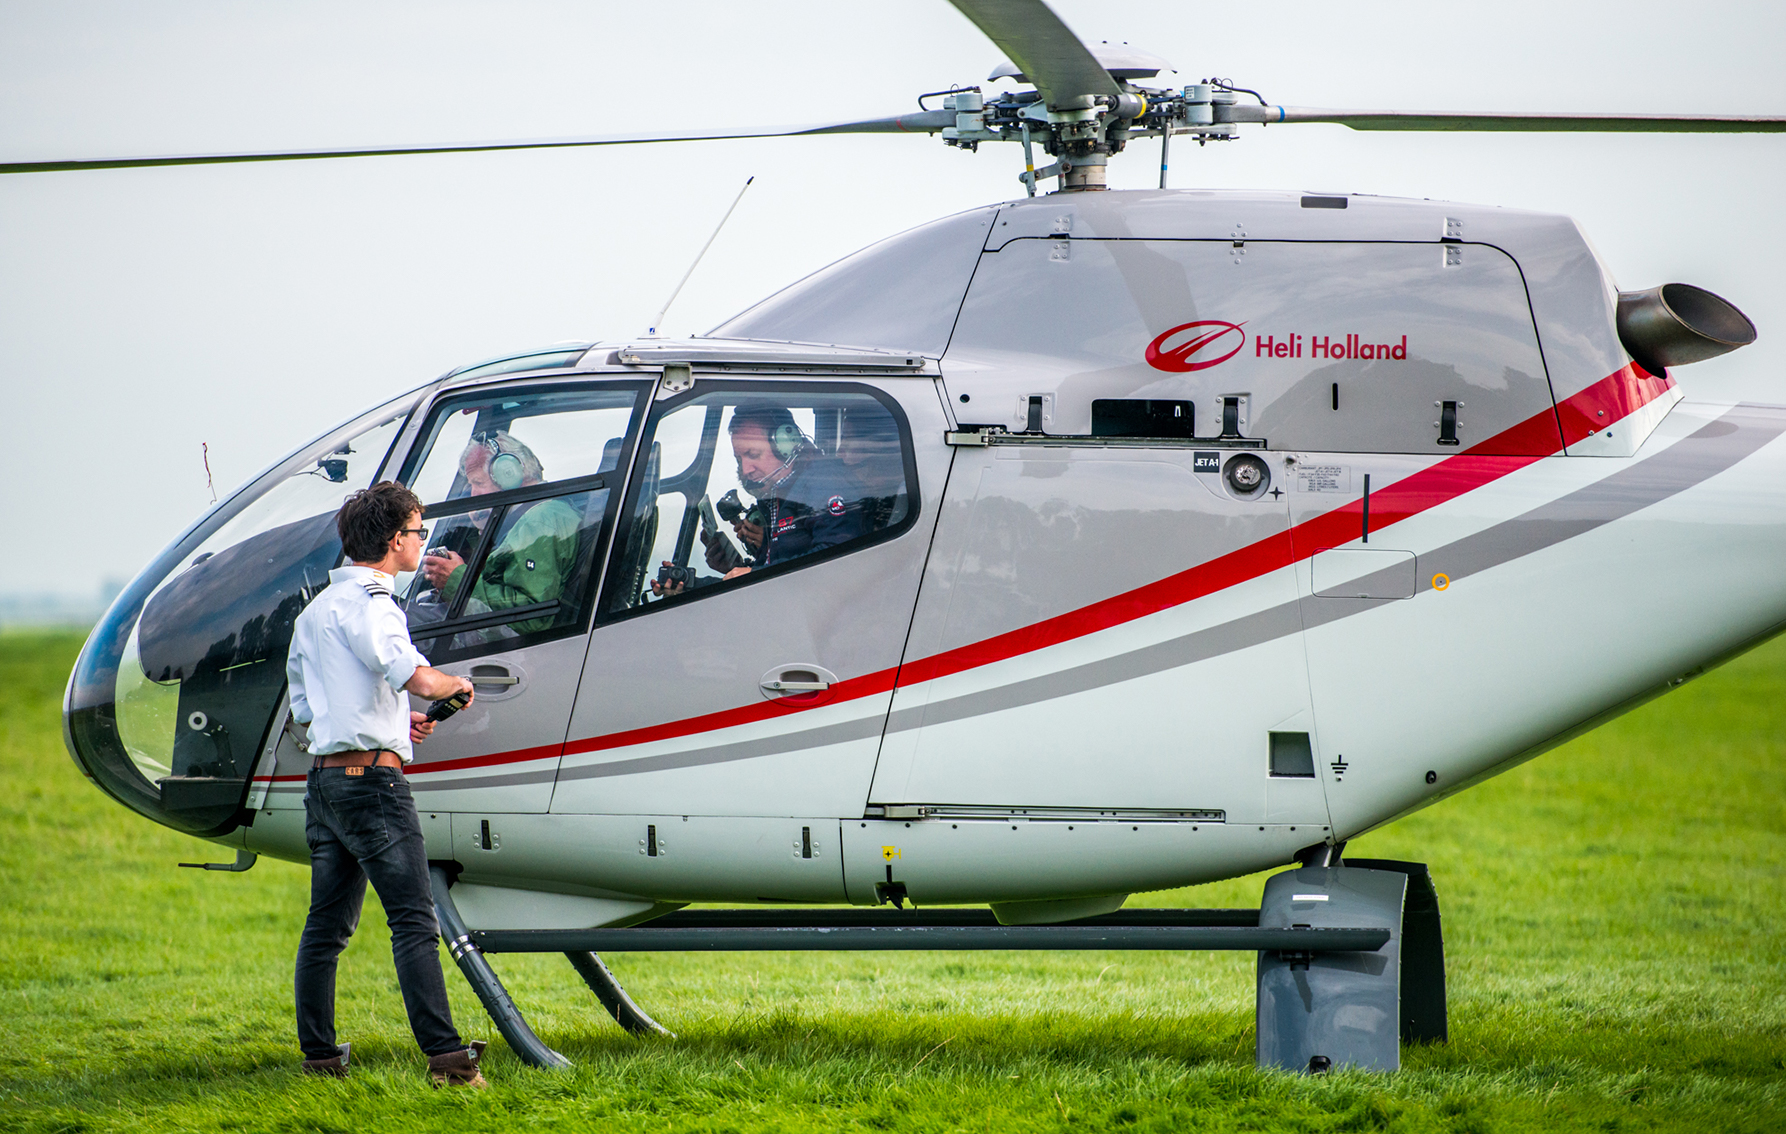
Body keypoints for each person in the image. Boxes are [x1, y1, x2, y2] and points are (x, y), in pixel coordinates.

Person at [285, 481, 488, 1088]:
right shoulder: (377, 603)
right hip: (374, 788)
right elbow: (410, 673)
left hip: (326, 784)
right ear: (396, 540)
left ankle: (320, 1058)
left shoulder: (314, 612)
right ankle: (449, 1063)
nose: (421, 540)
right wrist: (452, 684)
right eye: (418, 531)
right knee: (413, 922)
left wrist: (395, 725)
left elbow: (307, 711)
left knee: (326, 929)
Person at [420, 430, 580, 633]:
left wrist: (458, 581)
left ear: (509, 474)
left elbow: (531, 616)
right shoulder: (526, 517)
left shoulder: (541, 519)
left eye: (478, 483)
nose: (473, 494)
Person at [705, 406, 870, 579]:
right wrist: (736, 568)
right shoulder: (777, 496)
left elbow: (837, 561)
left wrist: (756, 575)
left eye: (753, 454)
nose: (745, 470)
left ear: (786, 444)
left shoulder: (826, 485)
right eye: (739, 459)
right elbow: (781, 566)